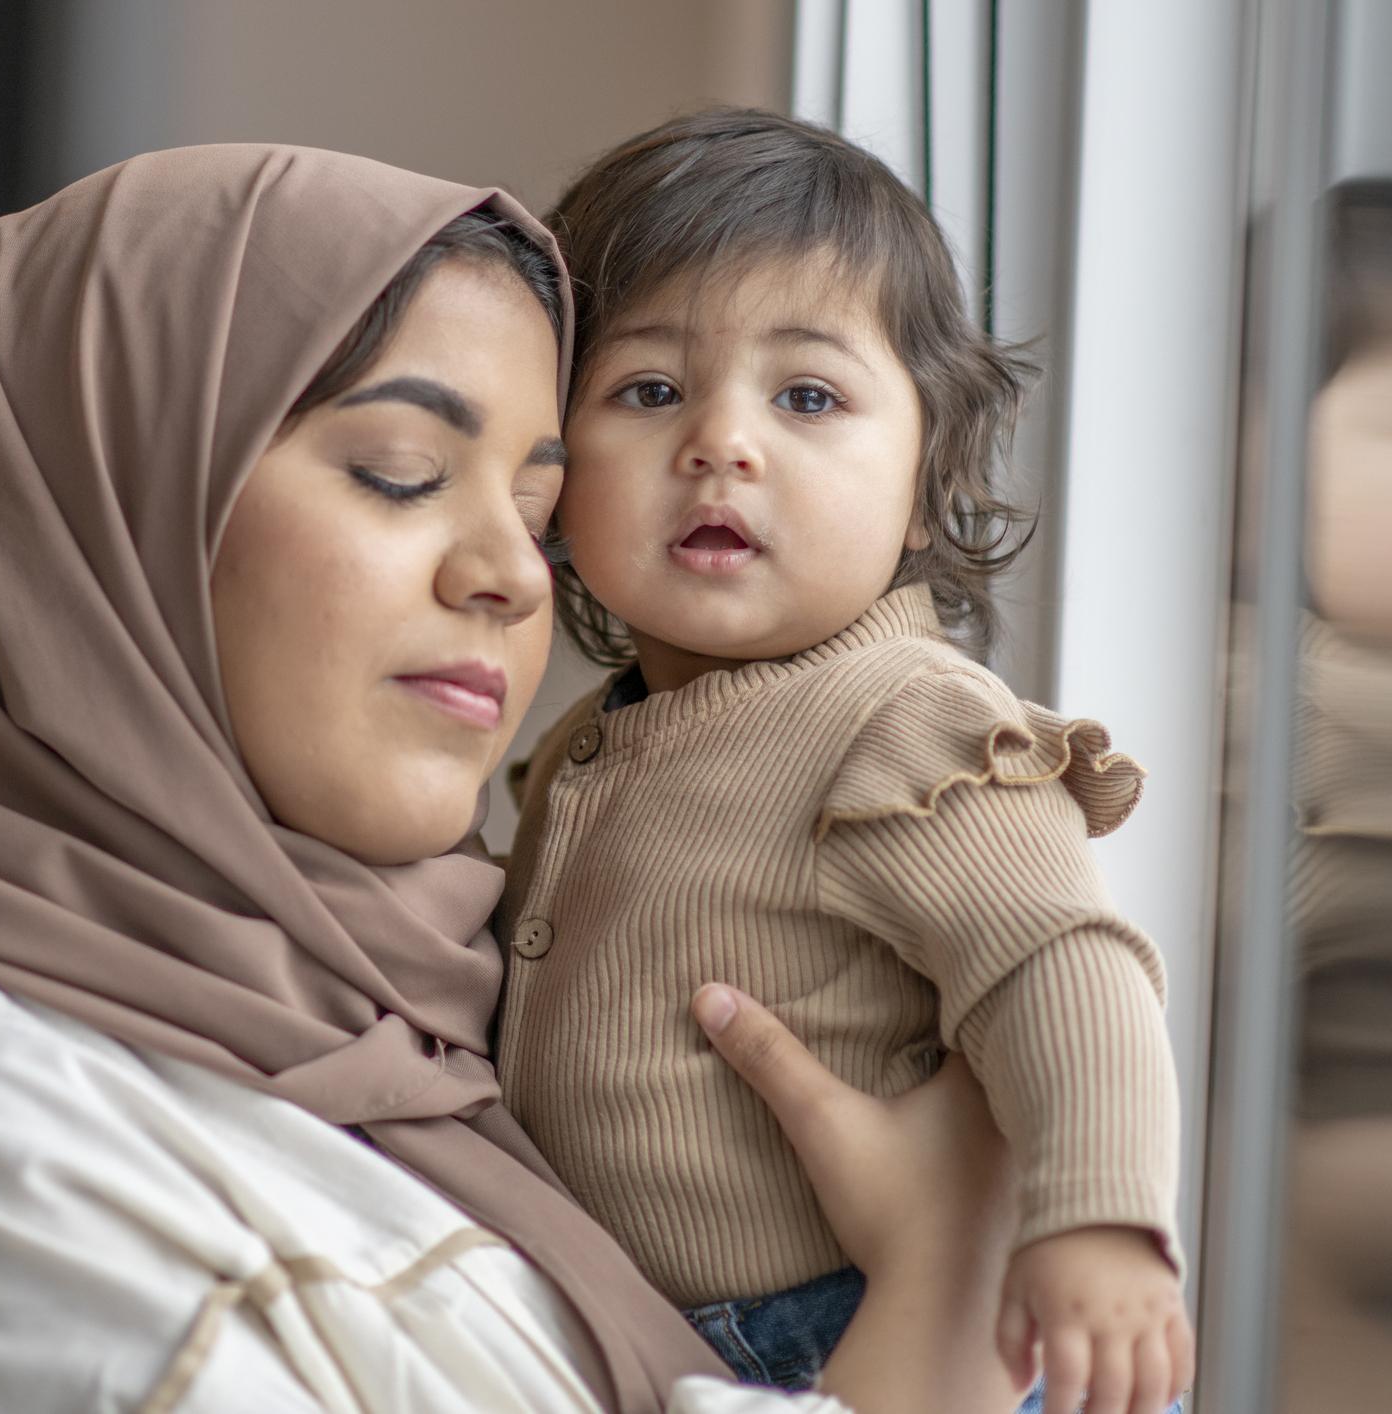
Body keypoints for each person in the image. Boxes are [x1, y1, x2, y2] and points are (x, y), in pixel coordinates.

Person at [0, 141, 1028, 1413]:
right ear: (96, 526)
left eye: (536, 521)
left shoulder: (436, 1048)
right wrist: (940, 1283)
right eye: (401, 474)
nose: (514, 577)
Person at [493, 110, 1192, 1414]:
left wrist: (1093, 1219)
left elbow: (1063, 964)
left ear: (927, 476)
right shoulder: (591, 739)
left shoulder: (907, 720)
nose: (721, 441)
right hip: (656, 1337)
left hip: (835, 1326)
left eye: (805, 394)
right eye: (647, 390)